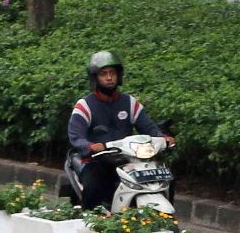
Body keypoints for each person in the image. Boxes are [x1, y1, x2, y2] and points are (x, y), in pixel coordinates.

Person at [67, 50, 175, 211]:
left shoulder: (130, 103)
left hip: (128, 159)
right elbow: (76, 136)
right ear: (95, 77)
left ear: (119, 75)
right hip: (97, 160)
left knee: (166, 177)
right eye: (104, 74)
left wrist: (163, 138)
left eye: (112, 73)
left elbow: (149, 128)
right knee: (94, 183)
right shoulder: (85, 106)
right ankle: (89, 220)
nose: (109, 77)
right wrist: (91, 146)